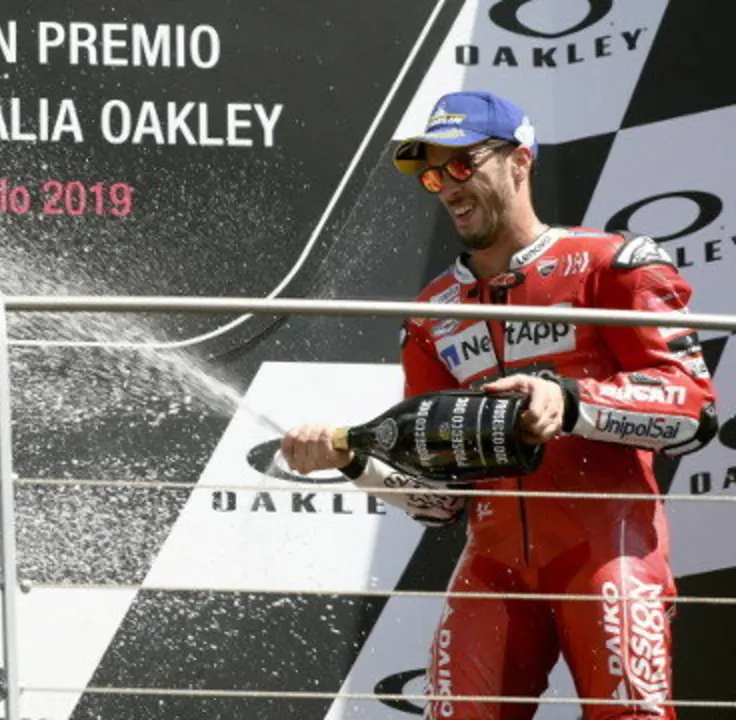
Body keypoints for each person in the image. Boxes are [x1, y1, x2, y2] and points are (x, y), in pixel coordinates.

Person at [281, 91, 718, 719]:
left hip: (608, 552)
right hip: (494, 566)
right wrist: (352, 460)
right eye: (433, 176)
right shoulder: (431, 315)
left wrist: (569, 401)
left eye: (462, 164)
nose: (447, 187)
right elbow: (441, 501)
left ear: (520, 160)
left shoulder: (610, 265)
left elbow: (694, 410)